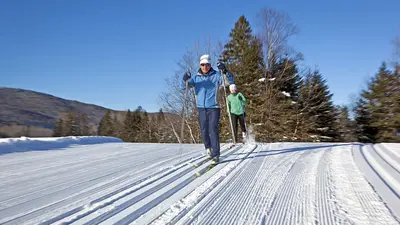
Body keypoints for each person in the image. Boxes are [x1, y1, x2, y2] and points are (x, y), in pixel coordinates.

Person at [183, 54, 234, 164]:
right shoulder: (196, 77)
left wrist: (224, 71)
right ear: (200, 65)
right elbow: (185, 87)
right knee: (204, 130)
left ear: (210, 65)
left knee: (213, 129)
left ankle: (216, 154)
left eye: (207, 64)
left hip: (214, 107)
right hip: (201, 107)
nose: (205, 67)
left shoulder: (216, 75)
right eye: (203, 65)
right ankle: (208, 148)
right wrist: (185, 80)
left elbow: (229, 82)